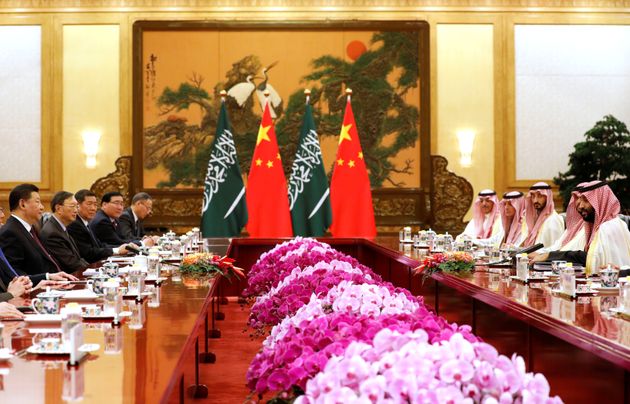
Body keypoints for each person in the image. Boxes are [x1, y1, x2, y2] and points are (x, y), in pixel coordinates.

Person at [530, 181, 630, 275]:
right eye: (579, 200)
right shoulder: (604, 225)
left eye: (586, 200)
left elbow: (591, 259)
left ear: (599, 203)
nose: (580, 206)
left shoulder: (608, 227)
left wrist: (550, 256)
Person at [0, 184, 77, 281]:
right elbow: (15, 275)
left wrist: (56, 276)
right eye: (37, 202)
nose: (42, 207)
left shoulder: (31, 228)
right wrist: (47, 277)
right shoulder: (10, 232)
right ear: (22, 204)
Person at [67, 189, 129, 263]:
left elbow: (100, 245)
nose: (93, 208)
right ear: (78, 205)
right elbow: (88, 253)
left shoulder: (85, 222)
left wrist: (120, 248)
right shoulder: (75, 224)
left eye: (95, 205)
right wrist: (117, 250)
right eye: (89, 204)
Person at [40, 191, 90, 273]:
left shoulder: (60, 227)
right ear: (58, 208)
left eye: (77, 206)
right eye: (72, 206)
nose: (76, 210)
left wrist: (95, 270)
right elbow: (72, 264)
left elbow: (78, 258)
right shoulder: (52, 233)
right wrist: (94, 271)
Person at [521, 182, 565, 248]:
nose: (535, 200)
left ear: (547, 198)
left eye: (540, 196)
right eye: (533, 196)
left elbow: (555, 251)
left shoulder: (553, 220)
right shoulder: (534, 220)